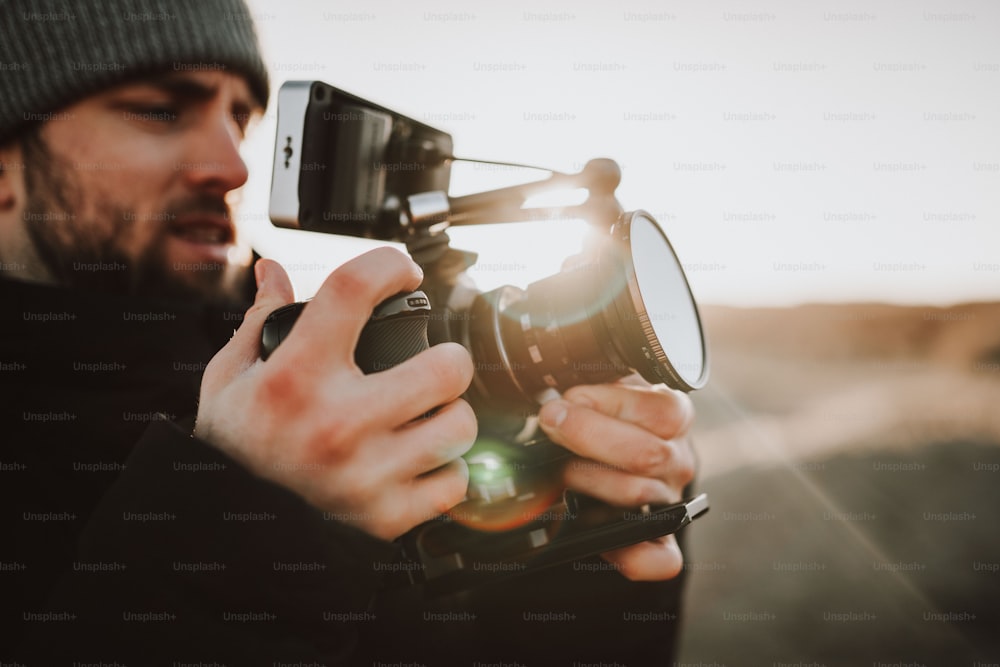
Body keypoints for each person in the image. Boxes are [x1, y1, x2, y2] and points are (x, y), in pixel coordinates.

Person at [0, 1, 697, 664]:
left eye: (240, 118)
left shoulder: (354, 389)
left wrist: (576, 556)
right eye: (160, 110)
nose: (235, 166)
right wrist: (246, 525)